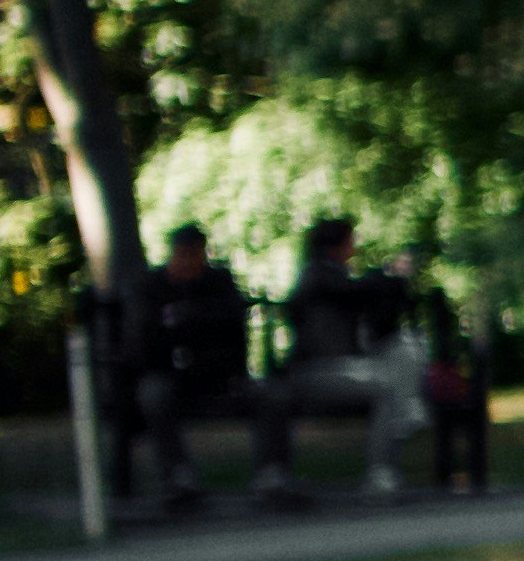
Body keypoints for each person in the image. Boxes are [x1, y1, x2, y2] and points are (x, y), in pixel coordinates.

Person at [264, 218, 428, 498]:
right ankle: (380, 471)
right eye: (350, 243)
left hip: (339, 369)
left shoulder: (334, 278)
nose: (354, 250)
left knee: (408, 347)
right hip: (316, 373)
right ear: (335, 246)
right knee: (384, 390)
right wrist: (390, 275)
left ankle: (406, 410)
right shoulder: (319, 277)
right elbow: (357, 292)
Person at [121, 224, 275, 515]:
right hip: (169, 376)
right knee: (154, 395)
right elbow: (142, 340)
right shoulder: (149, 287)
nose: (189, 263)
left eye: (196, 255)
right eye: (183, 255)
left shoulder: (219, 283)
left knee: (269, 394)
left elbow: (231, 327)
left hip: (217, 375)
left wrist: (191, 322)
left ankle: (272, 474)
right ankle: (178, 477)